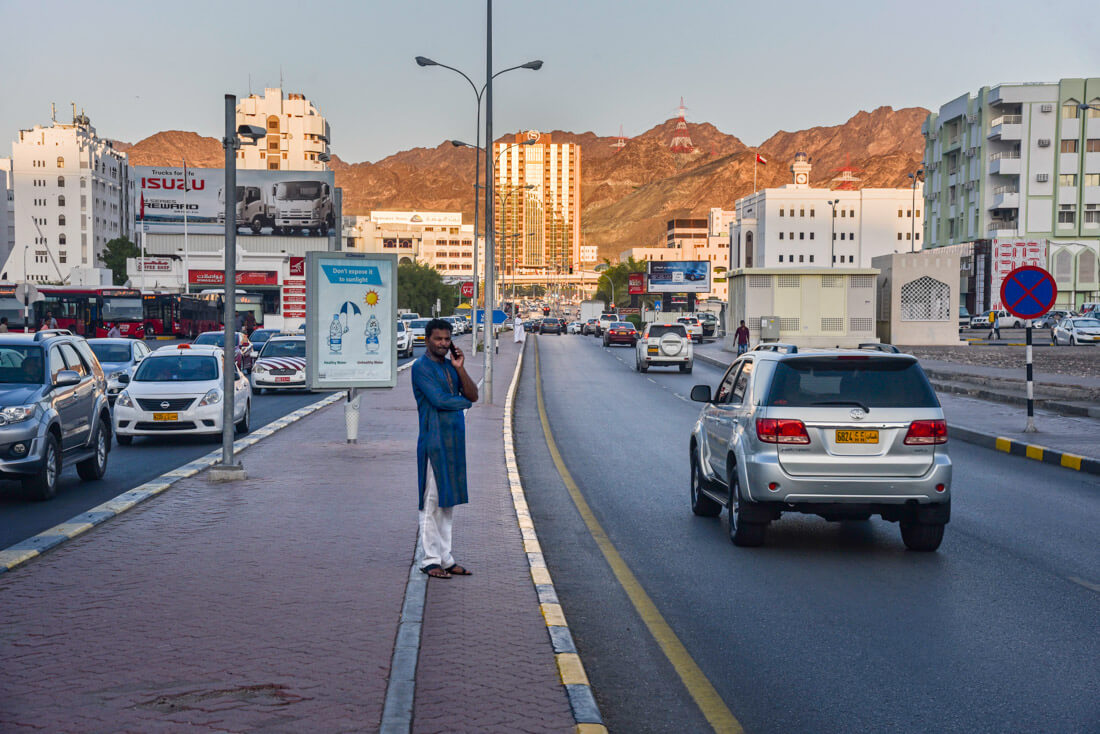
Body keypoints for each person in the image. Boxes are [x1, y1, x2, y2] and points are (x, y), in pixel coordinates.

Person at [411, 318, 479, 579]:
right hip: (433, 442)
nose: (442, 344)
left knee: (448, 501)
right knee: (431, 503)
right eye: (438, 339)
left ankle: (446, 558)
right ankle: (429, 560)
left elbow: (472, 394)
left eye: (447, 339)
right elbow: (439, 401)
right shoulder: (421, 368)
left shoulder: (451, 367)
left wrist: (460, 369)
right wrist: (464, 403)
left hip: (454, 441)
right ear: (428, 339)